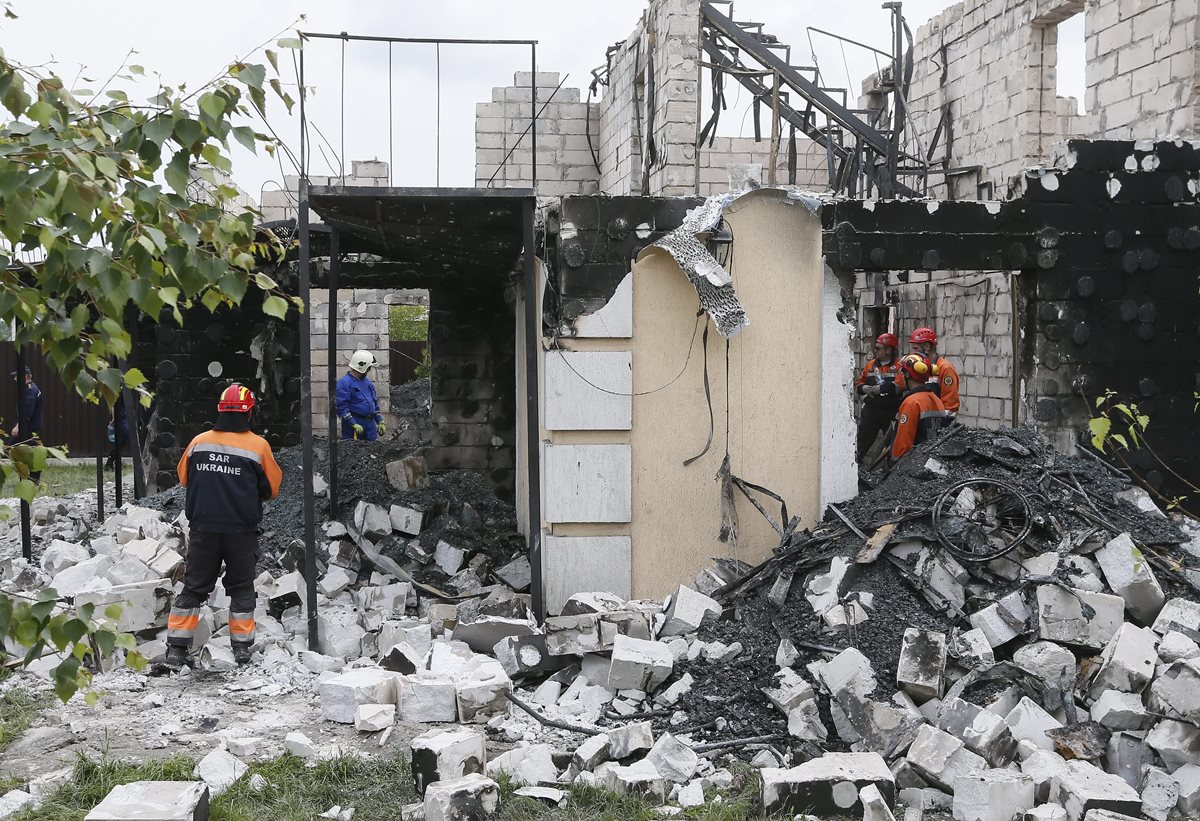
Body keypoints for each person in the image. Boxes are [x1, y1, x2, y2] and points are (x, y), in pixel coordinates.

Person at [163, 384, 282, 669]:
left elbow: (183, 478)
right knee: (241, 588)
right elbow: (273, 488)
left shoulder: (199, 442)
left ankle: (177, 650)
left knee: (193, 587)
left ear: (219, 410)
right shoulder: (258, 446)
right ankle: (241, 648)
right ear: (249, 412)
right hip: (241, 531)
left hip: (203, 529)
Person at [891, 353, 951, 462]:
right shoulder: (937, 400)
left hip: (912, 464)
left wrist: (894, 463)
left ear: (907, 375)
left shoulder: (911, 403)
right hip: (931, 461)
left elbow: (903, 443)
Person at [854, 332, 902, 461]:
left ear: (888, 350)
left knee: (891, 443)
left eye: (878, 348)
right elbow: (859, 382)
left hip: (890, 411)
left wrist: (881, 388)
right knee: (863, 440)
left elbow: (900, 385)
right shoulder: (870, 365)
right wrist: (862, 388)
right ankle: (856, 465)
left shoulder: (899, 366)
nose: (875, 351)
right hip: (872, 410)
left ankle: (888, 469)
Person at [908, 327, 961, 417]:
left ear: (927, 347)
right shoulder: (914, 366)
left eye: (915, 349)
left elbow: (950, 408)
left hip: (935, 425)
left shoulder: (945, 368)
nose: (912, 353)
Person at [336, 349, 387, 442]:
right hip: (354, 427)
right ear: (362, 366)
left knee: (373, 453)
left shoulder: (368, 383)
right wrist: (353, 423)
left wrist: (380, 421)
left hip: (370, 426)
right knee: (353, 454)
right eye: (368, 368)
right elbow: (341, 407)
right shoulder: (344, 383)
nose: (369, 370)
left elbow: (374, 404)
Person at [8, 366, 42, 444]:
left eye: (17, 376)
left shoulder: (31, 390)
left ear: (24, 377)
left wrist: (18, 426)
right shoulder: (30, 389)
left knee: (11, 449)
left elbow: (27, 410)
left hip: (27, 428)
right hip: (27, 428)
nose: (15, 379)